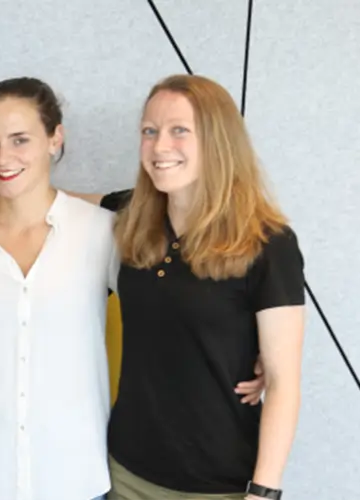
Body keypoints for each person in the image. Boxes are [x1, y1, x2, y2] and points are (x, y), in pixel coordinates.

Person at [100, 74, 305, 500]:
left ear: (217, 140)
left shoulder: (268, 242)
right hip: (126, 471)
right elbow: (45, 200)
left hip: (217, 485)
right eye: (149, 131)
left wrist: (263, 492)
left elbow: (284, 382)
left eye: (179, 131)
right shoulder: (132, 216)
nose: (159, 147)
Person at [0, 77, 117, 500]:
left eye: (20, 140)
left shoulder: (102, 233)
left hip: (76, 477)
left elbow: (166, 311)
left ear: (55, 138)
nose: (2, 157)